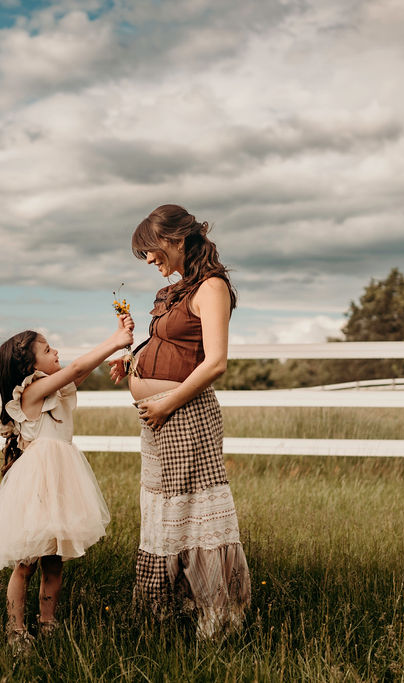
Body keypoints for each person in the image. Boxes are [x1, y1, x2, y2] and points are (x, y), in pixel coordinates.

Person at [110, 203, 251, 638]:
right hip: (158, 418)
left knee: (192, 512)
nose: (149, 261)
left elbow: (215, 363)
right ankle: (168, 613)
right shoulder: (177, 290)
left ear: (175, 240)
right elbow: (168, 344)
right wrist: (132, 363)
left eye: (151, 251)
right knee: (163, 510)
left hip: (185, 416)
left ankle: (216, 620)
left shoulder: (210, 287)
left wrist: (166, 402)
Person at [0, 316, 132, 650]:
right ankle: (16, 628)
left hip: (62, 482)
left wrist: (118, 354)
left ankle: (48, 622)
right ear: (28, 364)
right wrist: (116, 339)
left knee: (54, 560)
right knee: (26, 562)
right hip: (37, 485)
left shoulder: (56, 387)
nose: (56, 352)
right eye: (48, 350)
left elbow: (77, 372)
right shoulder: (32, 391)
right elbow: (78, 366)